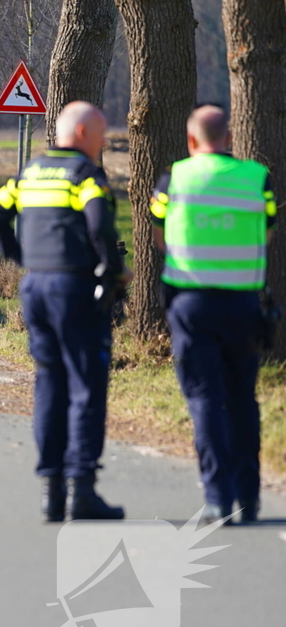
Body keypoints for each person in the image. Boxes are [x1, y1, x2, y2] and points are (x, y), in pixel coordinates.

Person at [0, 101, 130, 522]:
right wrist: (111, 271)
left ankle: (52, 491)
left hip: (37, 286)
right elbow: (100, 223)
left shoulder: (30, 172)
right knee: (86, 386)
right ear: (83, 134)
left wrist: (20, 256)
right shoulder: (85, 174)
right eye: (101, 136)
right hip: (74, 287)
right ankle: (82, 490)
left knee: (49, 382)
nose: (103, 144)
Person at [150, 105, 276, 525]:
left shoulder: (173, 179)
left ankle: (218, 496)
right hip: (243, 303)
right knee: (243, 399)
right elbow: (268, 231)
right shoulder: (257, 180)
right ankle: (249, 498)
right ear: (230, 138)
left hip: (191, 304)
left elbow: (157, 234)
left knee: (205, 398)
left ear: (190, 140)